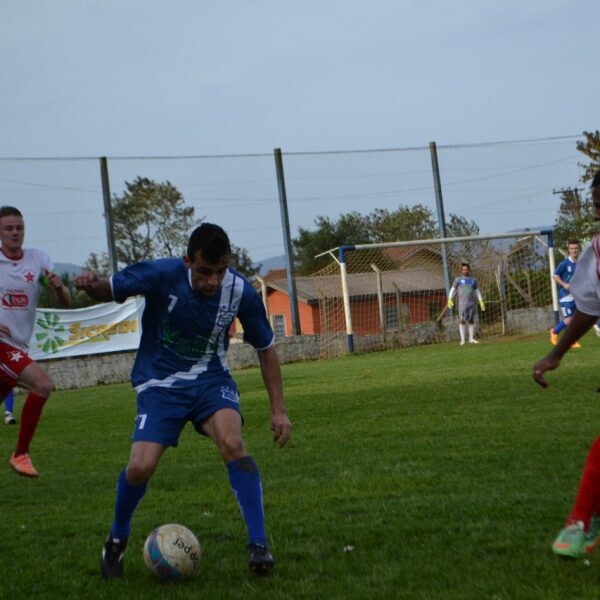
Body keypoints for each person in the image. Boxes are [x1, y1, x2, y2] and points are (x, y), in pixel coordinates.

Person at [74, 223, 292, 579]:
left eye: (220, 271)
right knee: (140, 466)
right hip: (159, 383)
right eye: (204, 271)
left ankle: (259, 545)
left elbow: (266, 349)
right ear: (187, 261)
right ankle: (117, 537)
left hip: (211, 380)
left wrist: (278, 410)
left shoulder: (240, 291)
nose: (212, 281)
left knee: (233, 442)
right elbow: (108, 288)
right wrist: (89, 284)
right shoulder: (162, 274)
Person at [533, 171, 600, 559]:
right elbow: (590, 308)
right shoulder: (597, 251)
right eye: (596, 203)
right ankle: (581, 521)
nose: (598, 210)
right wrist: (555, 354)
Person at [0, 206, 71, 477]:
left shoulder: (38, 258)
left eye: (19, 227)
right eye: (8, 228)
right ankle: (20, 454)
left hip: (18, 345)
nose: (15, 232)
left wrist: (58, 287)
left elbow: (65, 302)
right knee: (43, 384)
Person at [550, 239, 582, 348]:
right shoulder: (564, 263)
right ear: (568, 250)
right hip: (565, 296)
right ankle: (554, 331)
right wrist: (564, 284)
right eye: (572, 248)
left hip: (577, 295)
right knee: (569, 319)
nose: (574, 250)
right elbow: (555, 276)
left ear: (579, 249)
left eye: (576, 248)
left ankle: (572, 340)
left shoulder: (581, 263)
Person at [447, 262, 485, 345]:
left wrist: (481, 301)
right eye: (463, 270)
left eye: (466, 269)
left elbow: (477, 292)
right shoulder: (458, 280)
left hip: (472, 304)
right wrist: (450, 299)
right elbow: (453, 290)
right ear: (461, 271)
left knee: (471, 320)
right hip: (462, 304)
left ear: (469, 270)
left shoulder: (473, 280)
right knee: (462, 321)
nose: (465, 271)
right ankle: (463, 340)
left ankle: (471, 339)